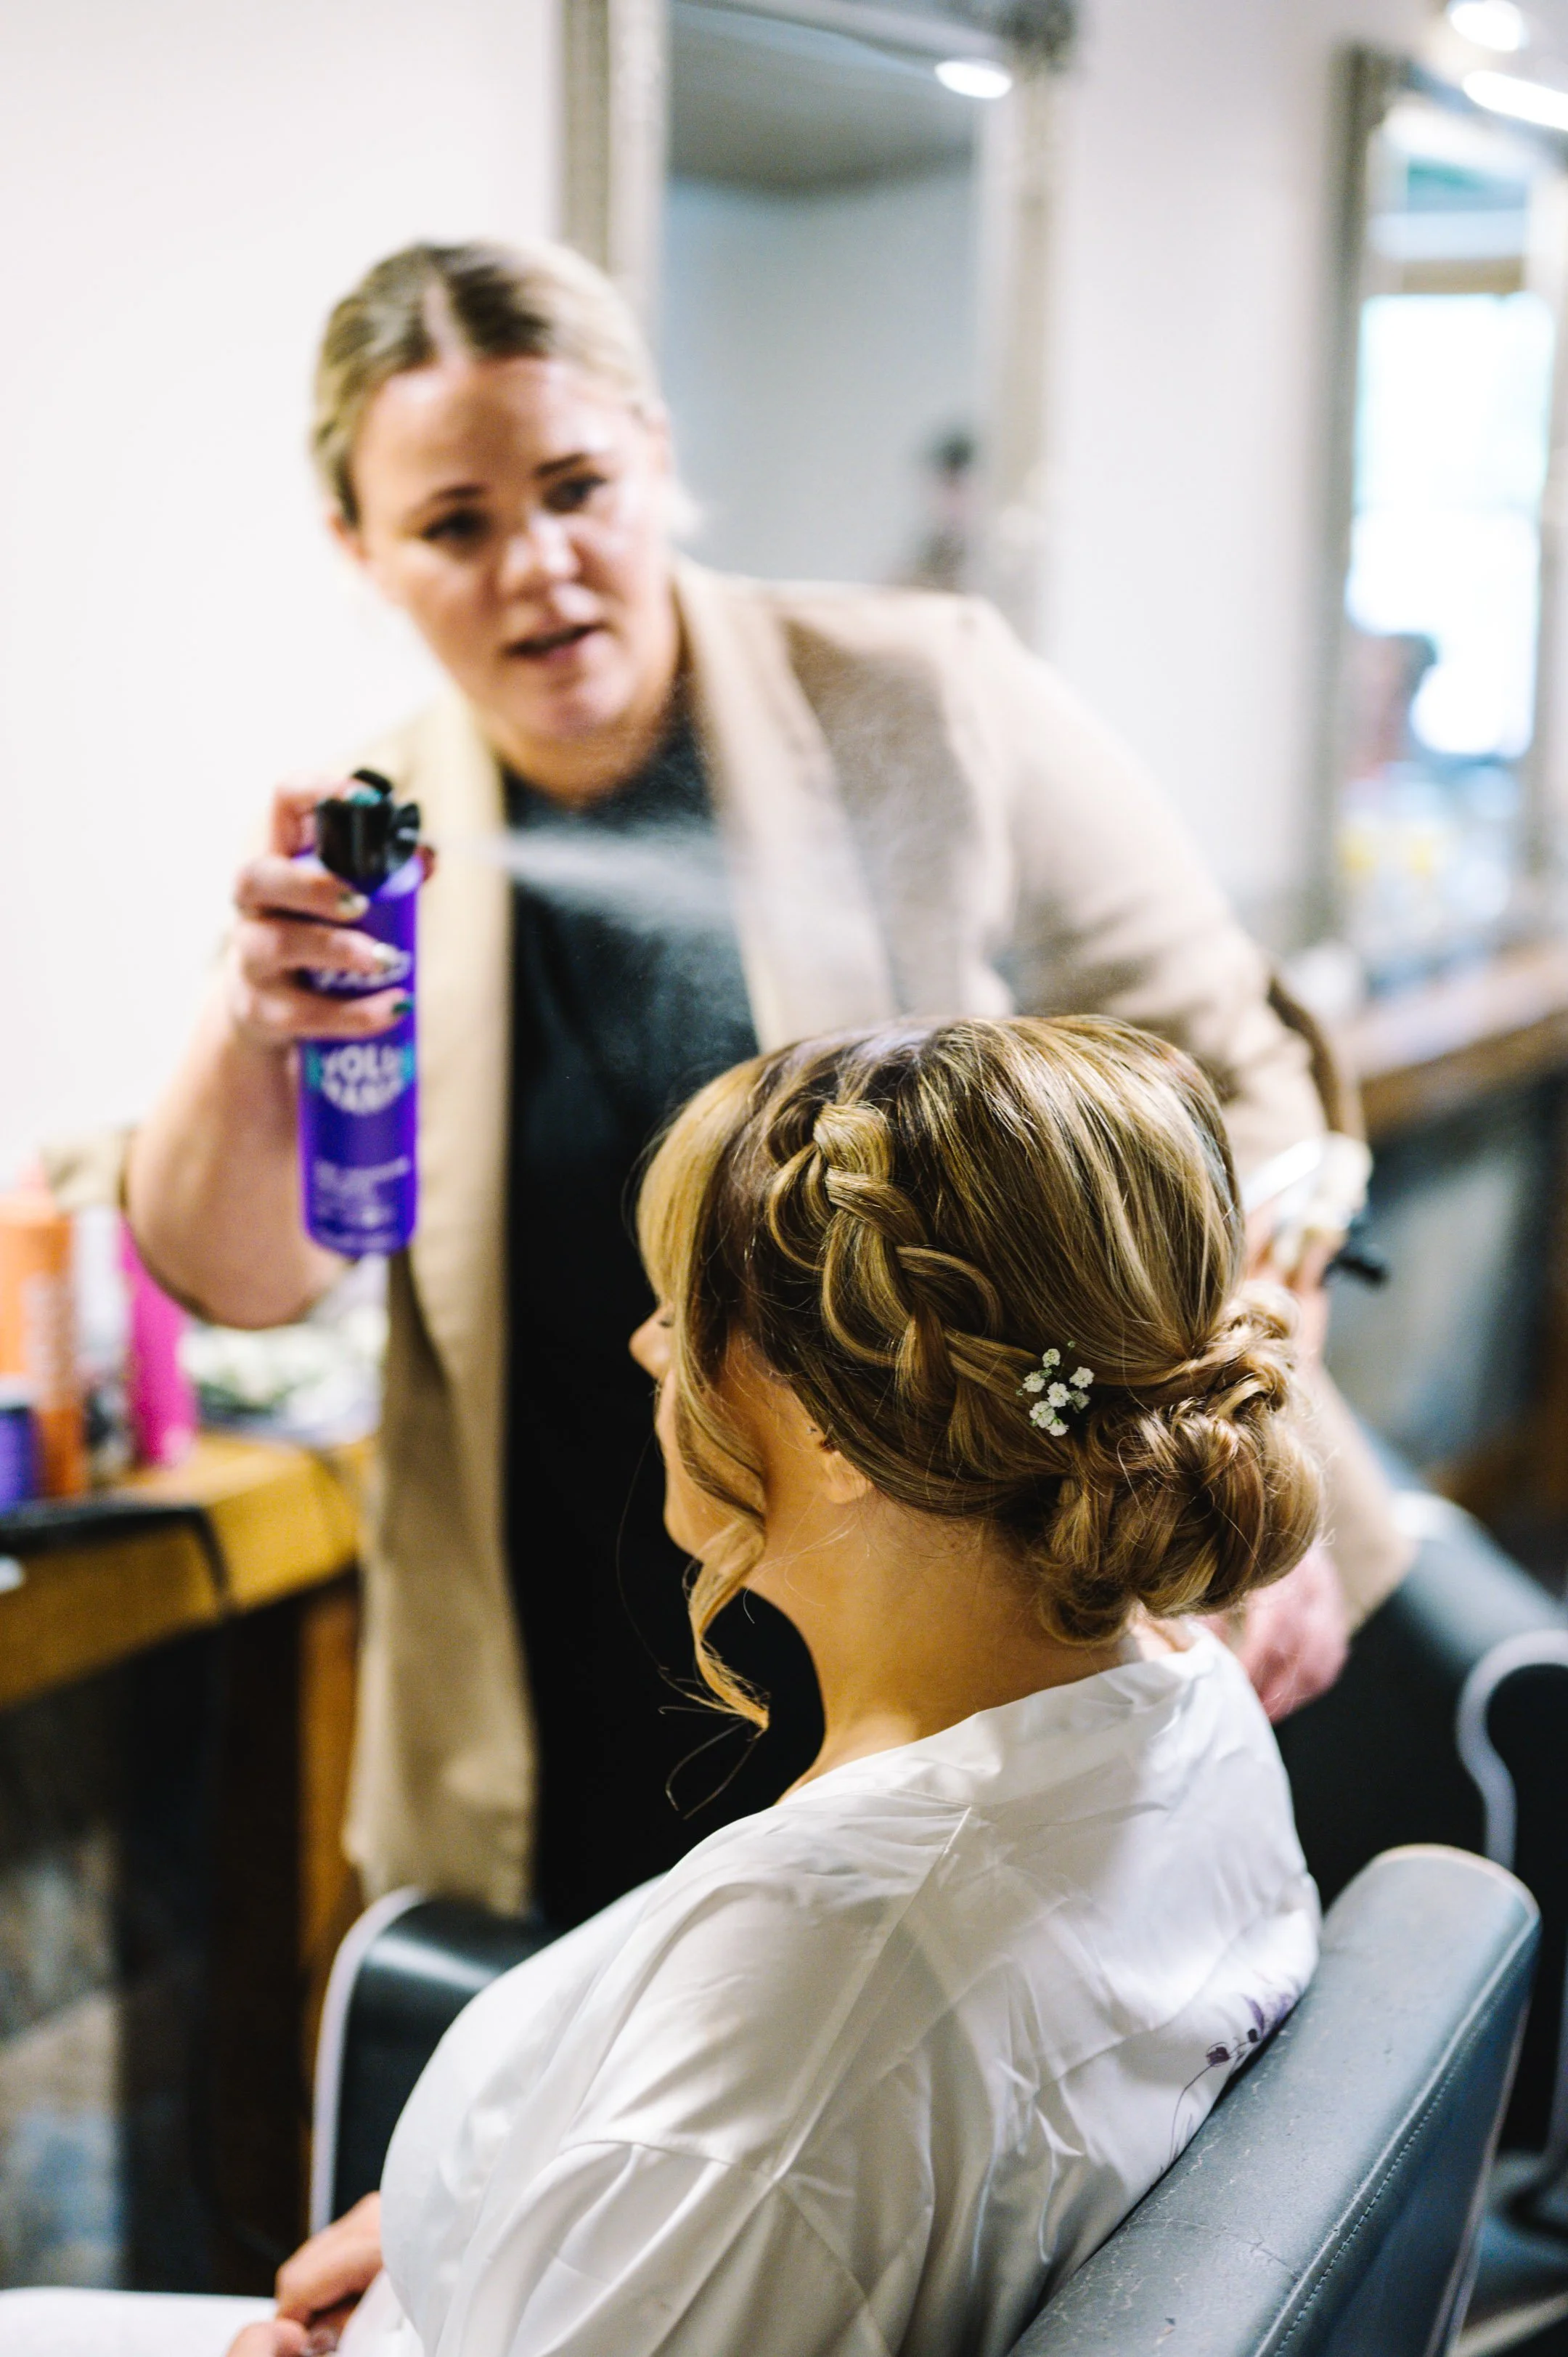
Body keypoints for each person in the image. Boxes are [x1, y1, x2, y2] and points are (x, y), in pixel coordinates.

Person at [126, 238, 1405, 1929]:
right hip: (574, 1636)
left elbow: (1247, 1089)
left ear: (657, 453)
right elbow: (245, 1278)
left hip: (978, 1598)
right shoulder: (375, 843)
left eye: (578, 488)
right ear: (359, 547)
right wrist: (251, 1025)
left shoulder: (921, 694)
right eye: (454, 526)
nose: (539, 566)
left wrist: (1254, 1454)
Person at [8, 1015, 1323, 2357]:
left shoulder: (823, 1991)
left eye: (691, 1313)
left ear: (837, 1423)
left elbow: (772, 2142)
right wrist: (484, 2225)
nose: (649, 1347)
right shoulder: (1189, 1713)